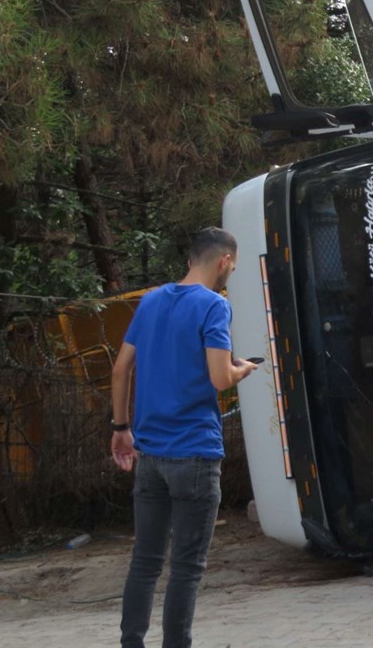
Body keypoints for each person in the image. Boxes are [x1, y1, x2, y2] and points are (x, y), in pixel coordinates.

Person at [110, 227, 259, 647]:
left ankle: (132, 643)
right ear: (224, 262)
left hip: (150, 456)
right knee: (187, 566)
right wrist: (242, 369)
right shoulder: (215, 306)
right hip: (194, 453)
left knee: (145, 561)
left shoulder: (152, 300)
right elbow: (219, 377)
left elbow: (120, 370)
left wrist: (121, 429)